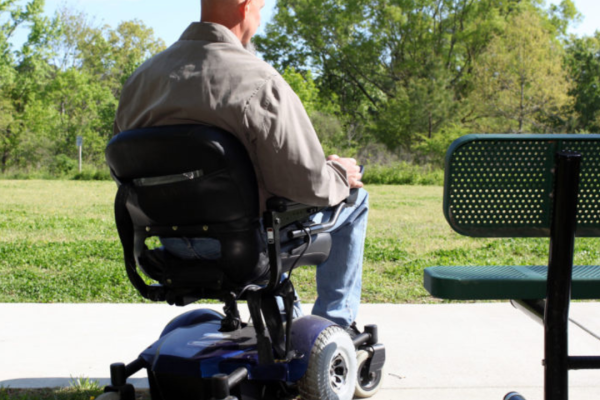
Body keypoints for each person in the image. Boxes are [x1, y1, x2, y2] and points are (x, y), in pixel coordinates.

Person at [113, 0, 368, 332]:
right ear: (245, 6)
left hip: (167, 243)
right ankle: (334, 327)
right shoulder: (258, 80)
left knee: (262, 212)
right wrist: (338, 174)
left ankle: (286, 321)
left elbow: (126, 173)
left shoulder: (140, 82)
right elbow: (306, 184)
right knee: (353, 199)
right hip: (241, 244)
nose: (260, 18)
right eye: (261, 7)